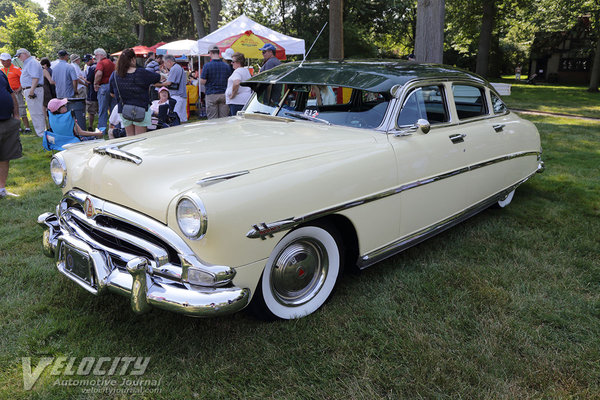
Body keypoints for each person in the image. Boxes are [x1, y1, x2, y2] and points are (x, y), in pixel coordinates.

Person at [109, 48, 161, 136]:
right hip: (141, 109)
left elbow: (112, 93)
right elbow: (157, 77)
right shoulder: (141, 73)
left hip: (124, 110)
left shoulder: (115, 75)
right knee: (140, 139)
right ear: (133, 59)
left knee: (130, 138)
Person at [0, 67, 21, 199]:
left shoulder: (1, 73)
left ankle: (1, 189)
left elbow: (11, 93)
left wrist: (16, 114)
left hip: (7, 120)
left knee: (4, 157)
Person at [16, 48, 45, 137]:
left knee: (36, 112)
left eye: (19, 56)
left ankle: (41, 133)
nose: (19, 58)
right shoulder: (29, 62)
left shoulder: (32, 62)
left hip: (33, 89)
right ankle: (40, 132)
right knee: (35, 111)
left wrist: (31, 91)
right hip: (31, 89)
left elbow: (35, 78)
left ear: (24, 54)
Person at [0, 52, 31, 133]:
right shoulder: (1, 70)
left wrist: (19, 88)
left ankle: (27, 127)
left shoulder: (16, 69)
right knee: (9, 110)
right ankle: (17, 128)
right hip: (6, 94)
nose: (3, 62)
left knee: (21, 109)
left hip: (16, 92)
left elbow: (24, 79)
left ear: (10, 60)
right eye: (1, 60)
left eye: (5, 60)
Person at [199, 46, 231, 119]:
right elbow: (229, 80)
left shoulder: (207, 66)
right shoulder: (226, 66)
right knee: (224, 119)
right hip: (224, 94)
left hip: (211, 94)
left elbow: (203, 81)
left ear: (211, 53)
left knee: (212, 120)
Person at [156, 55, 188, 122]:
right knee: (182, 118)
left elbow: (169, 83)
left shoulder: (174, 68)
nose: (164, 65)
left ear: (169, 62)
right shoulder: (179, 67)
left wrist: (157, 84)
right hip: (182, 95)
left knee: (175, 118)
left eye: (164, 63)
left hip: (176, 96)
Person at [93, 48, 115, 133]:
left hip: (103, 87)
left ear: (101, 55)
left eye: (96, 55)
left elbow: (99, 74)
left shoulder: (101, 63)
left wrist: (95, 84)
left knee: (102, 110)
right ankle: (115, 128)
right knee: (113, 109)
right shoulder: (111, 63)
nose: (95, 57)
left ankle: (102, 130)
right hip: (112, 87)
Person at [40, 57, 56, 129]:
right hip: (46, 90)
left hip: (40, 90)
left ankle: (45, 126)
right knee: (49, 108)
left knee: (43, 108)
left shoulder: (38, 71)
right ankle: (50, 125)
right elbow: (51, 81)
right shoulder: (46, 71)